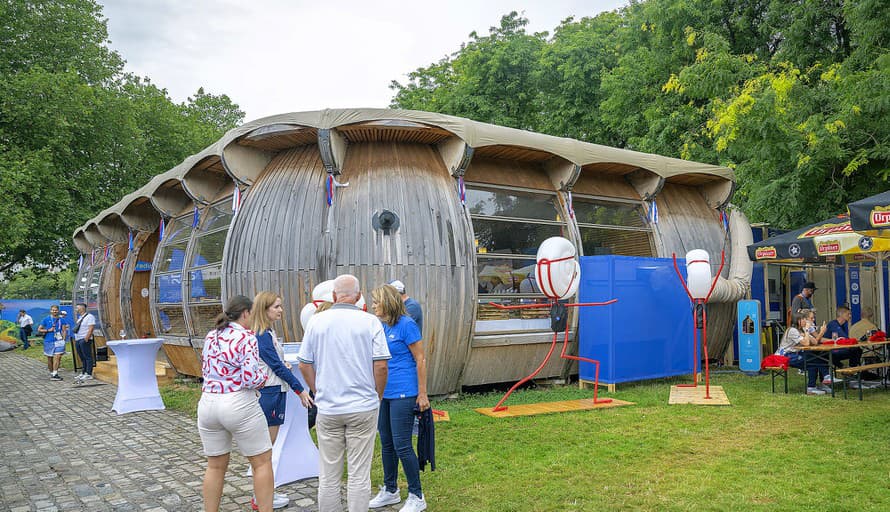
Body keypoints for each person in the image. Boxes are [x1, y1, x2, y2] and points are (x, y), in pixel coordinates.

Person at [298, 275, 390, 512]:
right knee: (359, 474)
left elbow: (304, 364)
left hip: (329, 407)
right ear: (358, 296)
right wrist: (377, 395)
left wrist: (318, 390)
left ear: (334, 296)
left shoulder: (316, 322)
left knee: (329, 474)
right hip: (363, 406)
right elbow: (380, 366)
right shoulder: (370, 322)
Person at [197, 295, 274, 512]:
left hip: (208, 402)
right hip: (238, 402)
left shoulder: (211, 336)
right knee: (261, 463)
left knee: (215, 465)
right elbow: (251, 378)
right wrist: (263, 378)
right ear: (246, 313)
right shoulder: (247, 337)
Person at [368, 284, 429, 512]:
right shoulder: (380, 326)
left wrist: (422, 393)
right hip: (385, 393)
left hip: (405, 391)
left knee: (402, 444)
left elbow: (420, 359)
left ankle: (417, 495)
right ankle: (391, 490)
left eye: (376, 301)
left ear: (388, 303)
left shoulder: (407, 325)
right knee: (387, 443)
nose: (373, 305)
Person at [251, 291, 313, 510]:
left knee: (267, 448)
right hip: (271, 393)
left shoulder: (266, 333)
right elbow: (276, 366)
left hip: (274, 391)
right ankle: (262, 497)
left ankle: (264, 493)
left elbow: (275, 363)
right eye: (276, 306)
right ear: (265, 309)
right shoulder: (262, 335)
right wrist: (300, 390)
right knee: (266, 450)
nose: (280, 310)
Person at [775, 309, 830, 395]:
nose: (805, 321)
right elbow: (807, 343)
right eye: (803, 319)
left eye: (805, 319)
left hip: (794, 354)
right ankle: (825, 377)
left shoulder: (801, 330)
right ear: (797, 321)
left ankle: (812, 387)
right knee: (813, 359)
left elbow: (815, 342)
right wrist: (807, 330)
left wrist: (821, 332)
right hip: (784, 356)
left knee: (816, 358)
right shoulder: (792, 330)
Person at [37, 305, 67, 380]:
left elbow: (64, 330)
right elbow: (39, 329)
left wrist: (63, 339)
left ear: (58, 311)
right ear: (50, 311)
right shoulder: (46, 319)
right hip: (48, 341)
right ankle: (52, 372)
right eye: (53, 310)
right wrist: (48, 330)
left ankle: (55, 373)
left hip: (59, 341)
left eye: (56, 310)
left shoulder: (61, 319)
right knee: (50, 358)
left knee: (58, 356)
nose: (54, 311)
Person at [73, 303, 96, 383]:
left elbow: (91, 328)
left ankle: (88, 373)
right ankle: (83, 372)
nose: (76, 309)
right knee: (82, 357)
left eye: (77, 308)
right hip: (78, 339)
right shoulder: (80, 318)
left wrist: (86, 338)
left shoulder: (90, 317)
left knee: (87, 356)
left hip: (84, 339)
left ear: (82, 308)